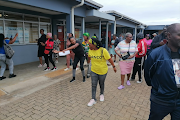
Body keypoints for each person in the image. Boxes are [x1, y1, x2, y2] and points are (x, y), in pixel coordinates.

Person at [144, 23, 180, 120]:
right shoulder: (155, 55)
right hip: (161, 100)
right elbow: (148, 76)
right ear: (169, 35)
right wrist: (159, 88)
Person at [87, 38, 117, 106]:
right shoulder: (90, 50)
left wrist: (114, 66)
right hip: (94, 70)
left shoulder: (103, 50)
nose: (88, 45)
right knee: (93, 85)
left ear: (94, 44)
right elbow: (89, 57)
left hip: (103, 71)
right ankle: (93, 99)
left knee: (101, 83)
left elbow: (109, 59)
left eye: (90, 44)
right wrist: (88, 61)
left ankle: (101, 94)